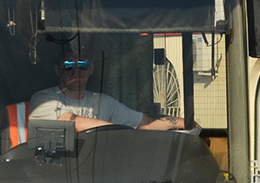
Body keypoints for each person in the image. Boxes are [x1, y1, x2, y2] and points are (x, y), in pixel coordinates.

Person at [27, 46, 192, 132]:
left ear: (91, 69)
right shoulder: (44, 100)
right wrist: (118, 131)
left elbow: (143, 123)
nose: (76, 70)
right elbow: (74, 123)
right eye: (68, 64)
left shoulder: (103, 102)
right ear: (57, 69)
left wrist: (180, 122)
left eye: (83, 64)